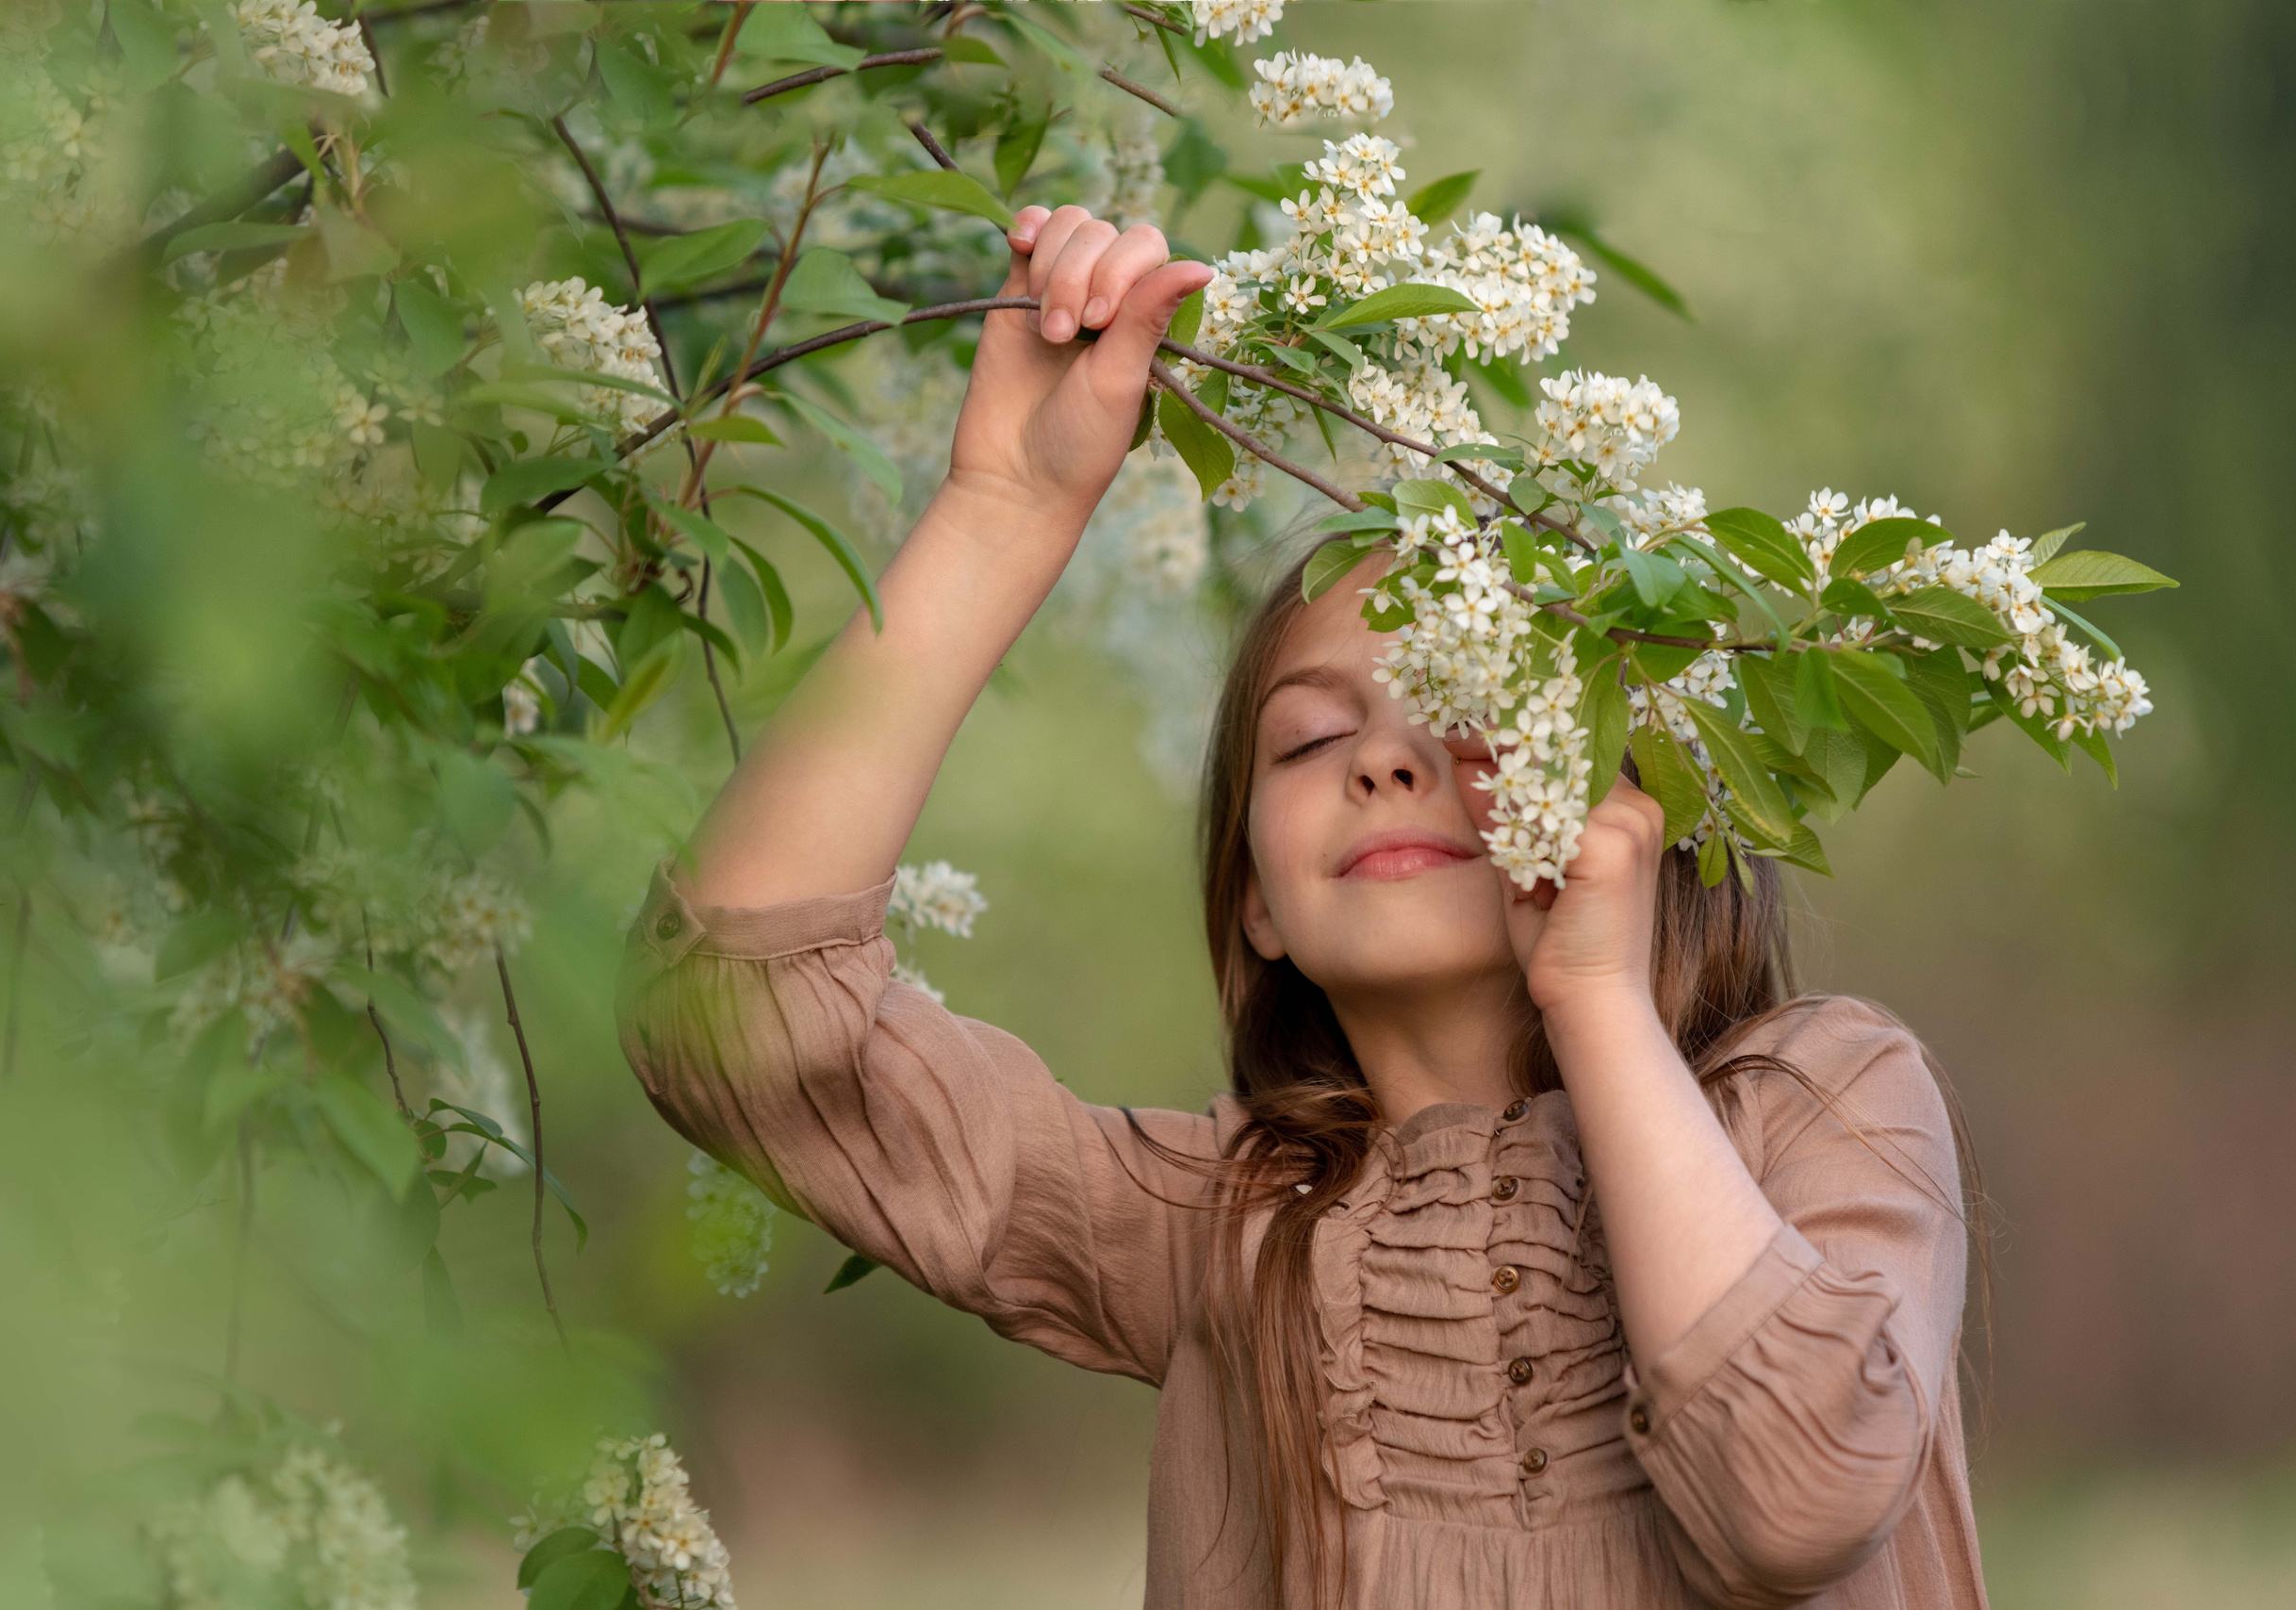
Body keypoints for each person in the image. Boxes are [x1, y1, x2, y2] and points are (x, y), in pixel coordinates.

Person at [617, 205, 1990, 1609]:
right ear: (1256, 902)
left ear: (1627, 799)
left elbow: (1796, 1497)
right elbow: (734, 1021)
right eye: (1310, 738)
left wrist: (1596, 999)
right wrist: (1003, 508)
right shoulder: (1213, 1222)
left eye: (1468, 713)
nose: (1385, 761)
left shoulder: (1819, 1104)